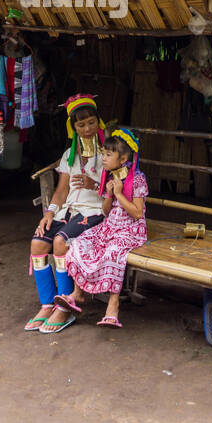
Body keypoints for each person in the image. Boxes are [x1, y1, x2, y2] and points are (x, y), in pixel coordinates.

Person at [27, 94, 107, 333]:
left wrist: (93, 185)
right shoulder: (68, 156)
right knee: (38, 244)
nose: (87, 129)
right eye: (80, 125)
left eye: (91, 122)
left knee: (60, 242)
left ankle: (66, 305)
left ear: (98, 122)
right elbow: (62, 191)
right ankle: (48, 303)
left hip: (95, 212)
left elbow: (118, 190)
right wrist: (50, 213)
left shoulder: (109, 153)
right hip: (68, 211)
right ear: (73, 128)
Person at [56, 128, 149, 328]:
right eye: (104, 154)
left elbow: (136, 213)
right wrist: (108, 195)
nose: (103, 159)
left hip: (130, 230)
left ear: (123, 158)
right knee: (80, 243)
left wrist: (120, 194)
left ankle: (112, 306)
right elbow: (107, 212)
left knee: (113, 253)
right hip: (111, 226)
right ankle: (78, 293)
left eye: (108, 155)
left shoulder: (138, 179)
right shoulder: (111, 177)